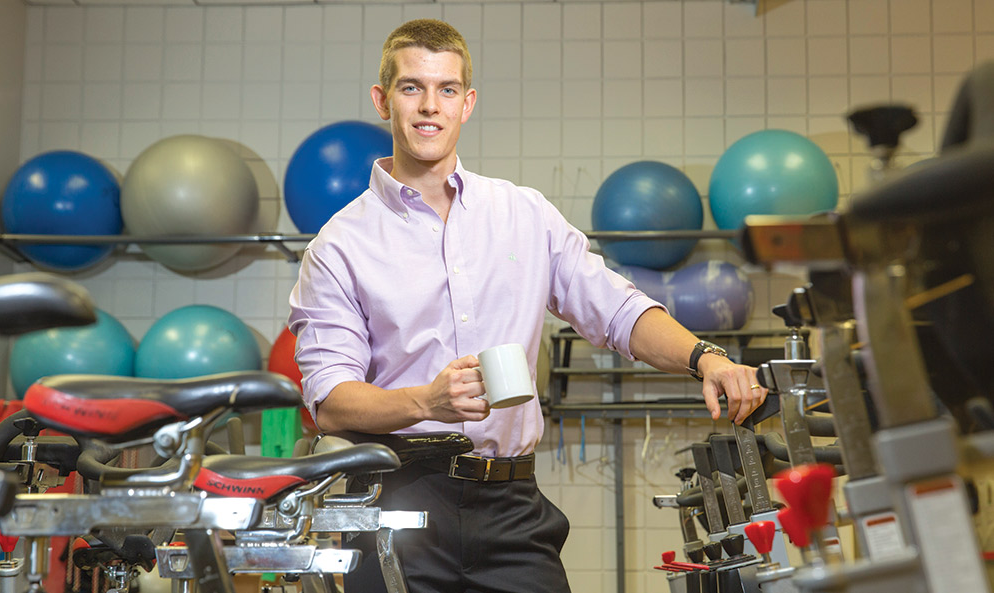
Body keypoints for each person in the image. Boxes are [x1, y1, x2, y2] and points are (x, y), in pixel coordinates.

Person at [287, 18, 764, 593]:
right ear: (382, 99)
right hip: (398, 502)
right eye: (411, 87)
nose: (429, 107)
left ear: (468, 103)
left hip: (512, 506)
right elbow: (331, 401)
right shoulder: (339, 245)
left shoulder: (524, 214)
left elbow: (617, 310)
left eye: (446, 89)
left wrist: (706, 358)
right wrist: (426, 400)